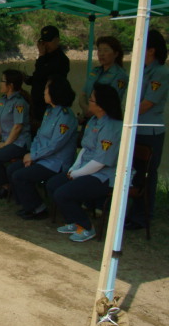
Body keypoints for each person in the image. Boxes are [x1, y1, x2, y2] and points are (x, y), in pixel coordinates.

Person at [47, 84, 123, 242]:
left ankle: (86, 227)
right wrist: (74, 168)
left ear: (101, 106)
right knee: (53, 184)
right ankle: (73, 221)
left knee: (63, 193)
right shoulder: (94, 120)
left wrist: (77, 174)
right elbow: (85, 148)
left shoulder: (112, 127)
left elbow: (100, 162)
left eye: (91, 99)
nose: (88, 102)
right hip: (87, 169)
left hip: (103, 176)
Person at [8, 77, 78, 220]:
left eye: (46, 88)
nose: (44, 92)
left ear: (55, 92)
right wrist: (31, 154)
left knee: (20, 176)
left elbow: (55, 145)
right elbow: (39, 136)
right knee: (12, 169)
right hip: (42, 158)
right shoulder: (49, 112)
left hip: (56, 163)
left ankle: (38, 208)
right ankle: (27, 204)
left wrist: (33, 156)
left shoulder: (66, 116)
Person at [126, 29, 169, 230]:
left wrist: (124, 115)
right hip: (135, 129)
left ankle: (143, 217)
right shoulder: (141, 69)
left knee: (147, 175)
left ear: (151, 50)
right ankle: (130, 213)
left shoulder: (160, 72)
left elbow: (147, 104)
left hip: (149, 131)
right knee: (133, 173)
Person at [0, 69, 31, 199]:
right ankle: (5, 184)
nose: (0, 83)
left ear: (10, 85)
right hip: (6, 140)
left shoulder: (19, 102)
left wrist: (4, 144)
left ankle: (6, 187)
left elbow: (17, 127)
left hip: (18, 143)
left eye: (2, 81)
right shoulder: (3, 100)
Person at [25, 25, 69, 123]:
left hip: (50, 105)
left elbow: (43, 77)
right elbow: (37, 78)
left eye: (48, 41)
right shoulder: (45, 56)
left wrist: (41, 56)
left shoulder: (61, 60)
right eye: (43, 41)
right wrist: (27, 79)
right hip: (36, 103)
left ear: (57, 40)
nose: (45, 44)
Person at [79, 36, 128, 119]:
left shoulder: (120, 75)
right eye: (99, 50)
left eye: (106, 50)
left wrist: (93, 111)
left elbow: (112, 101)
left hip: (107, 119)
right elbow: (83, 94)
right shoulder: (95, 71)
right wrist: (86, 108)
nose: (101, 54)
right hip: (89, 117)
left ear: (116, 54)